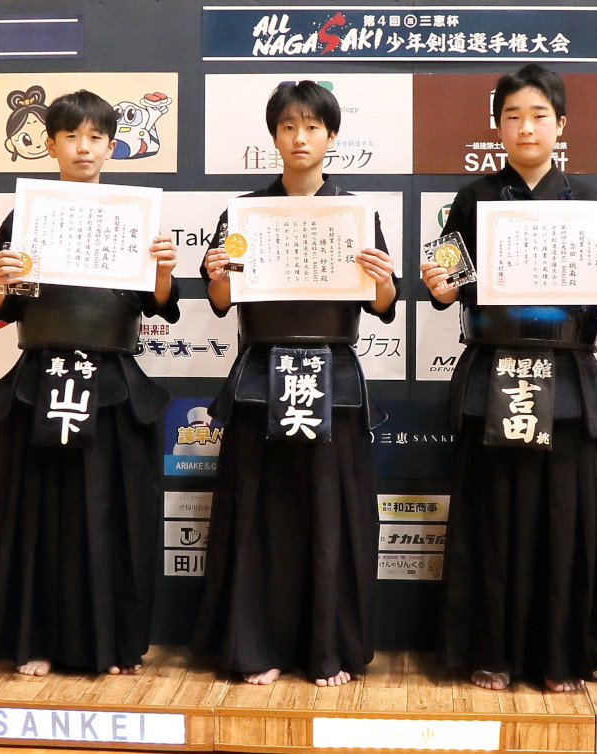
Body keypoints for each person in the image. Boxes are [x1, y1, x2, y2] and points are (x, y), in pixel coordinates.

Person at [420, 64, 597, 692]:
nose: (526, 127)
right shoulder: (472, 199)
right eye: (513, 116)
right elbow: (446, 285)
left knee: (564, 520)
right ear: (497, 126)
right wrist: (439, 285)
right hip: (493, 370)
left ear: (561, 125)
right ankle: (489, 651)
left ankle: (559, 657)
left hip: (567, 378)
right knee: (492, 518)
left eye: (539, 116)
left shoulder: (588, 203)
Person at [191, 81, 398, 687]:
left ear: (332, 136)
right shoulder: (243, 214)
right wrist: (216, 274)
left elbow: (384, 305)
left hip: (334, 378)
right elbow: (221, 301)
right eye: (288, 127)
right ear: (274, 136)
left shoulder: (357, 213)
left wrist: (384, 280)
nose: (299, 137)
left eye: (311, 127)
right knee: (260, 514)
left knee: (332, 517)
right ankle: (258, 645)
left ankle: (327, 647)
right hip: (261, 375)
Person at [0, 89, 180, 676]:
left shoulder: (137, 214)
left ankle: (111, 644)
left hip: (112, 381)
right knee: (38, 513)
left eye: (95, 137)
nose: (83, 148)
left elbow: (161, 306)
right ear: (51, 145)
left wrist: (164, 271)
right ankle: (35, 640)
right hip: (40, 379)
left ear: (112, 147)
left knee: (113, 515)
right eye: (71, 136)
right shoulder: (24, 216)